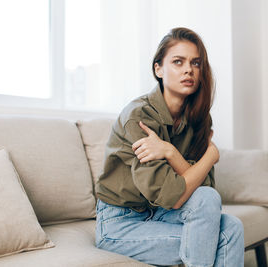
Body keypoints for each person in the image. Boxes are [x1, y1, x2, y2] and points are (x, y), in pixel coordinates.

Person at [95, 27, 244, 267]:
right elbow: (172, 196)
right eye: (178, 62)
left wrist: (169, 151)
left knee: (230, 224)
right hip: (120, 223)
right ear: (158, 69)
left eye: (196, 63)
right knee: (220, 238)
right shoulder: (138, 117)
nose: (189, 70)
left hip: (161, 213)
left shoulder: (199, 120)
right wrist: (210, 156)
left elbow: (204, 191)